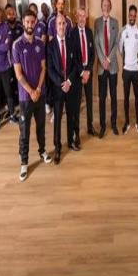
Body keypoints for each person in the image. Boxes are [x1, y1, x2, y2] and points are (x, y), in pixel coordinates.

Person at [12, 10, 51, 181]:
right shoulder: (17, 45)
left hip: (39, 94)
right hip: (25, 97)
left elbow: (43, 68)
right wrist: (31, 91)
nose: (30, 25)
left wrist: (39, 89)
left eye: (32, 22)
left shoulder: (40, 44)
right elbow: (18, 74)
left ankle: (42, 151)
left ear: (35, 23)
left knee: (41, 126)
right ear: (23, 22)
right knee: (24, 130)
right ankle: (24, 162)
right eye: (27, 21)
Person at [47, 14, 81, 164]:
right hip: (58, 88)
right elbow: (50, 69)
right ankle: (57, 148)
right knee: (58, 119)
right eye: (59, 24)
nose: (61, 26)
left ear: (66, 26)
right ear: (55, 26)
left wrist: (69, 81)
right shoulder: (50, 45)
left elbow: (76, 65)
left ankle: (71, 141)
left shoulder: (72, 42)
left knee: (71, 115)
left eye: (63, 24)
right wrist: (62, 83)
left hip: (70, 86)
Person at [94, 0, 120, 138]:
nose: (106, 7)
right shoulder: (97, 22)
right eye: (104, 5)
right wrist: (103, 60)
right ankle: (103, 126)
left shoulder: (115, 22)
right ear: (101, 6)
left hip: (112, 66)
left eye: (108, 5)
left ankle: (114, 123)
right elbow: (96, 43)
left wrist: (108, 59)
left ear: (110, 7)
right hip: (101, 67)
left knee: (114, 96)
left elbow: (116, 43)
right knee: (102, 97)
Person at [71, 7, 96, 136]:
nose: (82, 18)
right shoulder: (72, 33)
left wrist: (88, 71)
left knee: (89, 101)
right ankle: (76, 132)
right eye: (79, 16)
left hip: (88, 72)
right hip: (77, 74)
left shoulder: (89, 32)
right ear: (76, 18)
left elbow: (92, 54)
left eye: (84, 16)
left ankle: (90, 127)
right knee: (76, 103)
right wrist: (82, 72)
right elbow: (73, 57)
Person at [119, 5, 138, 135]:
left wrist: (134, 60)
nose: (132, 17)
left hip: (136, 70)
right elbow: (120, 48)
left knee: (137, 98)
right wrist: (126, 60)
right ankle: (127, 122)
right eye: (131, 15)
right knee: (126, 98)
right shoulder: (123, 31)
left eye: (134, 15)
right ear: (128, 15)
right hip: (126, 70)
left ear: (136, 16)